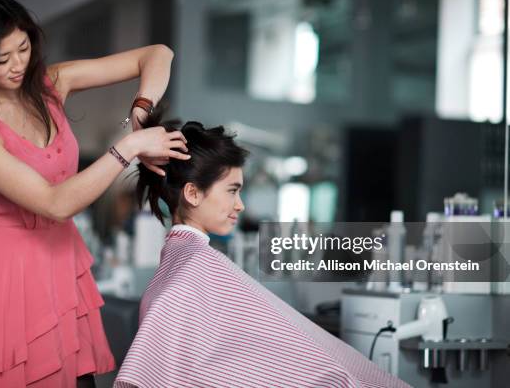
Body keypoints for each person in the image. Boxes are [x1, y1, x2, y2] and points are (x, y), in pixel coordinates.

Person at [0, 0, 190, 388]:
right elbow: (53, 203)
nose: (17, 65)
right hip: (6, 272)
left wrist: (140, 111)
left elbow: (158, 54)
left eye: (24, 48)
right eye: (2, 59)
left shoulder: (52, 84)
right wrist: (130, 146)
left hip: (61, 259)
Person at [113, 116, 411, 388]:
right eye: (232, 190)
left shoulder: (182, 263)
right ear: (192, 193)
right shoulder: (191, 272)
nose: (240, 205)